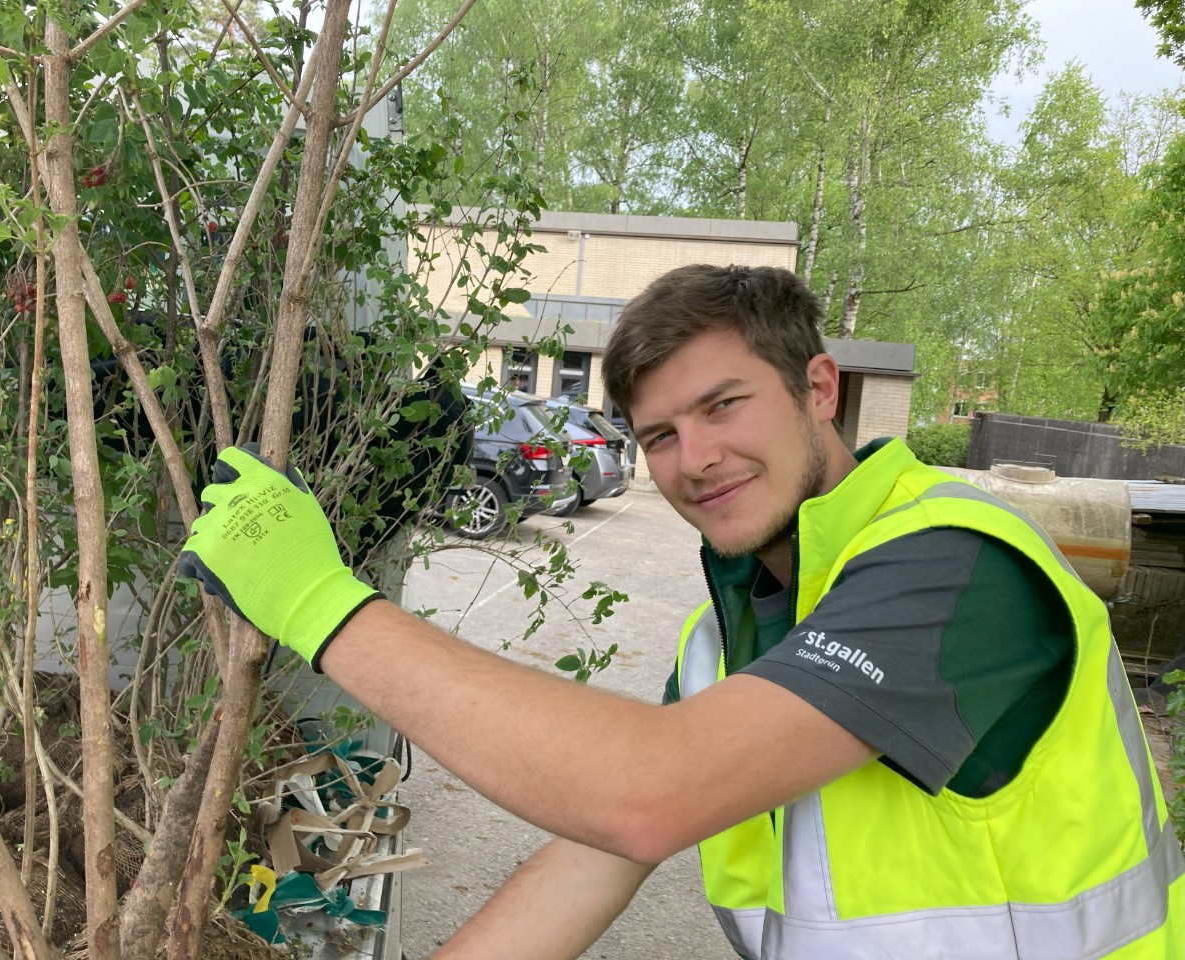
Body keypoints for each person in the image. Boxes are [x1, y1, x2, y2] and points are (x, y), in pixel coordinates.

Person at [179, 265, 1183, 959]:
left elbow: (648, 792)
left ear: (817, 389)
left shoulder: (954, 568)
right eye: (656, 434)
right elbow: (599, 853)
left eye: (722, 406)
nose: (691, 459)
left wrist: (318, 603)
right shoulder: (732, 630)